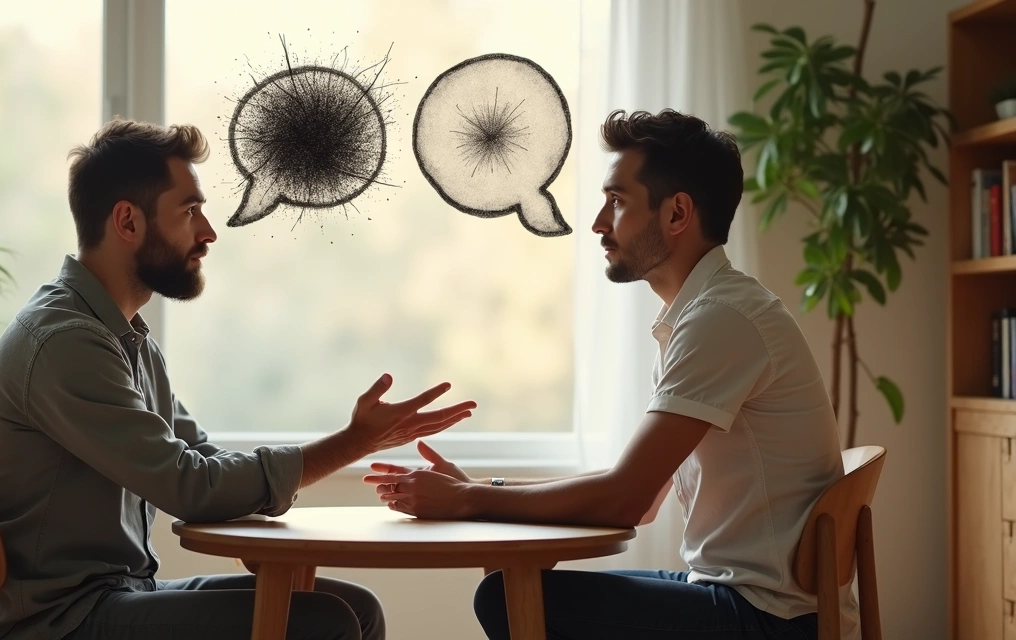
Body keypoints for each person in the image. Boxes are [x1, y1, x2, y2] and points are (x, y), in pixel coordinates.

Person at [0, 118, 477, 640]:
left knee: (353, 608)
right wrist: (352, 443)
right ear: (127, 222)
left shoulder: (124, 340)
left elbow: (198, 455)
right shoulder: (67, 343)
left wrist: (266, 492)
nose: (207, 233)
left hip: (111, 597)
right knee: (323, 624)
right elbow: (190, 487)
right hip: (54, 622)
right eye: (189, 211)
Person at [363, 109, 856, 639]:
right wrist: (484, 491)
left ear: (677, 214)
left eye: (618, 202)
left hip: (769, 619)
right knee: (516, 591)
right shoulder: (701, 315)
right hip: (741, 597)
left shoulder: (721, 320)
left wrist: (470, 499)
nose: (599, 223)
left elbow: (627, 499)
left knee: (509, 597)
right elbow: (638, 498)